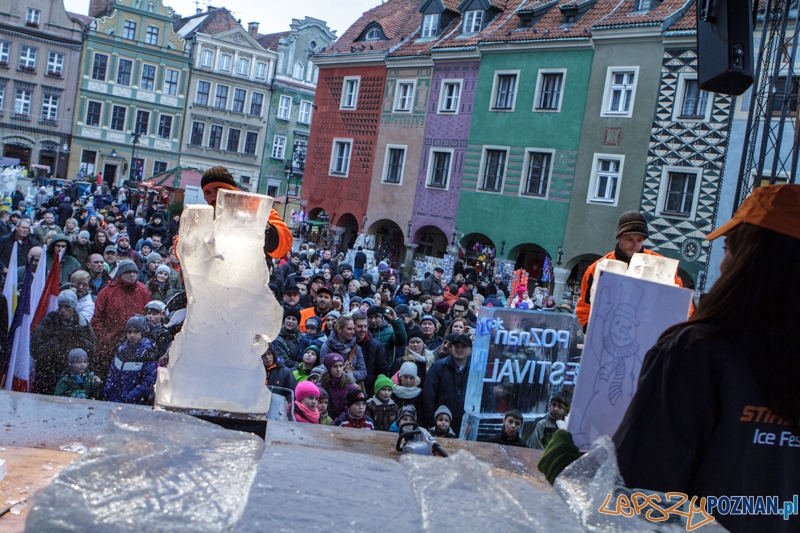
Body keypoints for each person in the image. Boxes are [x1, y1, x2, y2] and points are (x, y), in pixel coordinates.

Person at [576, 211, 687, 329]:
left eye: (639, 240)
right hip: (607, 333)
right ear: (618, 237)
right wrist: (594, 333)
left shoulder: (661, 266)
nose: (635, 245)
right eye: (629, 239)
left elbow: (682, 306)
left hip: (651, 336)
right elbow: (585, 309)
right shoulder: (596, 269)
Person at [201, 166, 292, 260]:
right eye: (208, 193)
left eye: (218, 190)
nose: (213, 197)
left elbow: (285, 242)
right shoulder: (203, 219)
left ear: (232, 191)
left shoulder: (256, 209)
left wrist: (256, 229)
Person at [90, 260, 152, 380]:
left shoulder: (143, 291)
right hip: (110, 345)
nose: (132, 275)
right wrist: (104, 338)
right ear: (120, 274)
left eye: (134, 272)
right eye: (128, 272)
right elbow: (96, 318)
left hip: (136, 346)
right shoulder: (107, 292)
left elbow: (149, 316)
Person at [30, 291, 97, 395]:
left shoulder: (82, 324)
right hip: (48, 376)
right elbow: (35, 350)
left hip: (73, 379)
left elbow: (92, 350)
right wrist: (58, 339)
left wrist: (77, 339)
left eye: (67, 307)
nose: (62, 310)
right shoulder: (49, 321)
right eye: (60, 306)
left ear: (74, 307)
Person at [422, 334, 472, 435]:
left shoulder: (476, 371)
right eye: (456, 346)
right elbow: (428, 395)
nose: (459, 349)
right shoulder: (439, 367)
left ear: (470, 349)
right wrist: (434, 421)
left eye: (463, 347)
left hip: (466, 425)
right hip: (441, 424)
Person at [103, 315, 157, 405]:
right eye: (129, 332)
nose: (132, 335)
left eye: (136, 332)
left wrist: (130, 396)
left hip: (135, 403)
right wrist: (108, 390)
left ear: (142, 332)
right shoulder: (121, 350)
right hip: (114, 399)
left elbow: (148, 382)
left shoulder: (147, 353)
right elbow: (112, 373)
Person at [320, 315, 367, 386]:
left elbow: (363, 372)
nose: (353, 332)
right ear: (339, 329)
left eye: (353, 329)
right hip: (331, 387)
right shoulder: (327, 346)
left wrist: (346, 375)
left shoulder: (356, 348)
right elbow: (323, 370)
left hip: (350, 389)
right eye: (349, 329)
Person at [366, 305, 407, 373]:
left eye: (376, 317)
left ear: (382, 318)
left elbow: (402, 341)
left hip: (385, 371)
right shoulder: (364, 332)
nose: (373, 320)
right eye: (370, 317)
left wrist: (395, 320)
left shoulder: (390, 331)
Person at [320, 352, 358, 421]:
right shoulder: (321, 385)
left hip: (342, 422)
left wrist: (338, 420)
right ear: (329, 368)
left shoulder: (349, 386)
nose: (338, 369)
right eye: (335, 366)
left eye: (341, 366)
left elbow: (349, 407)